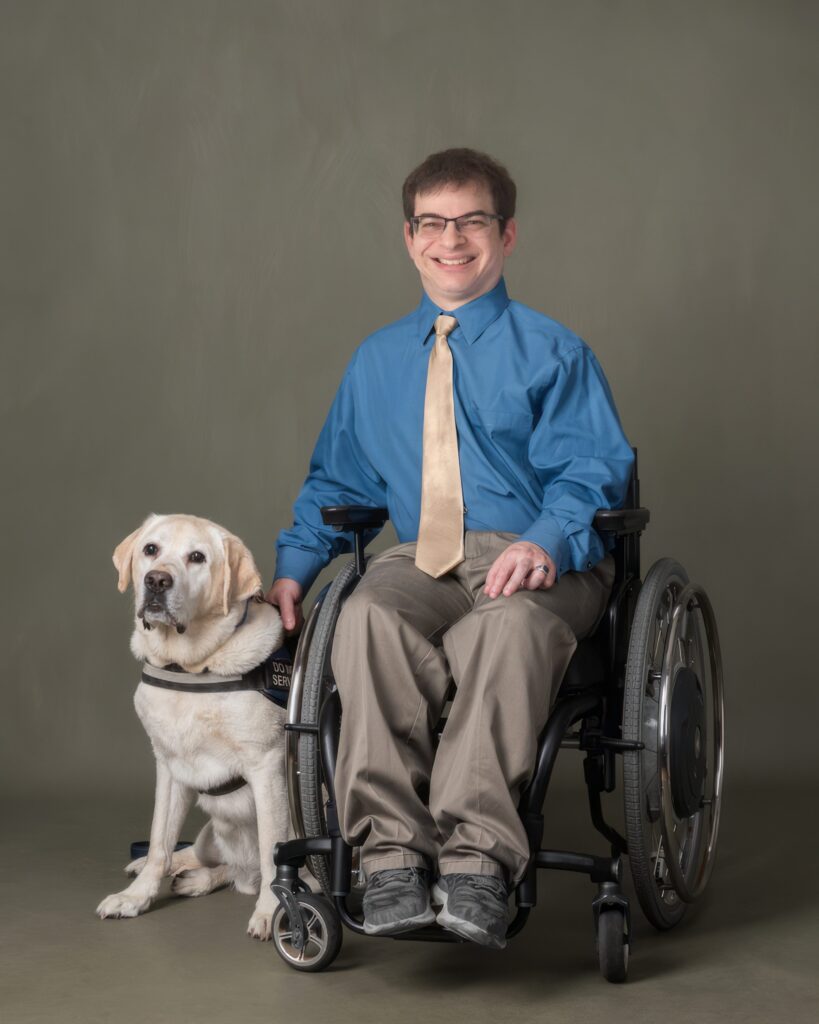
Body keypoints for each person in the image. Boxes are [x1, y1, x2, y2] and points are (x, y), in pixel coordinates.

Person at [267, 148, 633, 950]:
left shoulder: (553, 352)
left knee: (504, 627)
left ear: (506, 235)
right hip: (422, 557)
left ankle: (477, 865)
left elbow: (591, 470)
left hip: (542, 554)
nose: (451, 239)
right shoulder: (375, 361)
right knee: (365, 616)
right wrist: (292, 573)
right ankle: (392, 858)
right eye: (433, 223)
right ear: (409, 238)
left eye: (470, 221)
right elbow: (336, 483)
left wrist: (546, 540)